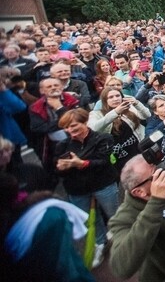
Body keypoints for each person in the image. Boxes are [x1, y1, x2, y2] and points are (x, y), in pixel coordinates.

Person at [54, 108, 119, 268]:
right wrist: (61, 168)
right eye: (67, 128)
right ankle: (100, 243)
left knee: (114, 214)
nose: (71, 131)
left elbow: (104, 162)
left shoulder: (103, 138)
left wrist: (80, 164)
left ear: (85, 122)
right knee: (90, 220)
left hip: (103, 184)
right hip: (77, 189)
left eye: (74, 127)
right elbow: (56, 169)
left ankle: (123, 240)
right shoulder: (63, 145)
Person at [88, 88, 151, 172]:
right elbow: (93, 128)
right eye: (111, 97)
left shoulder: (129, 108)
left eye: (118, 96)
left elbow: (147, 115)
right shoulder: (97, 113)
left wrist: (137, 103)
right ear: (104, 100)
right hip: (118, 155)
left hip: (136, 148)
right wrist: (115, 112)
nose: (115, 99)